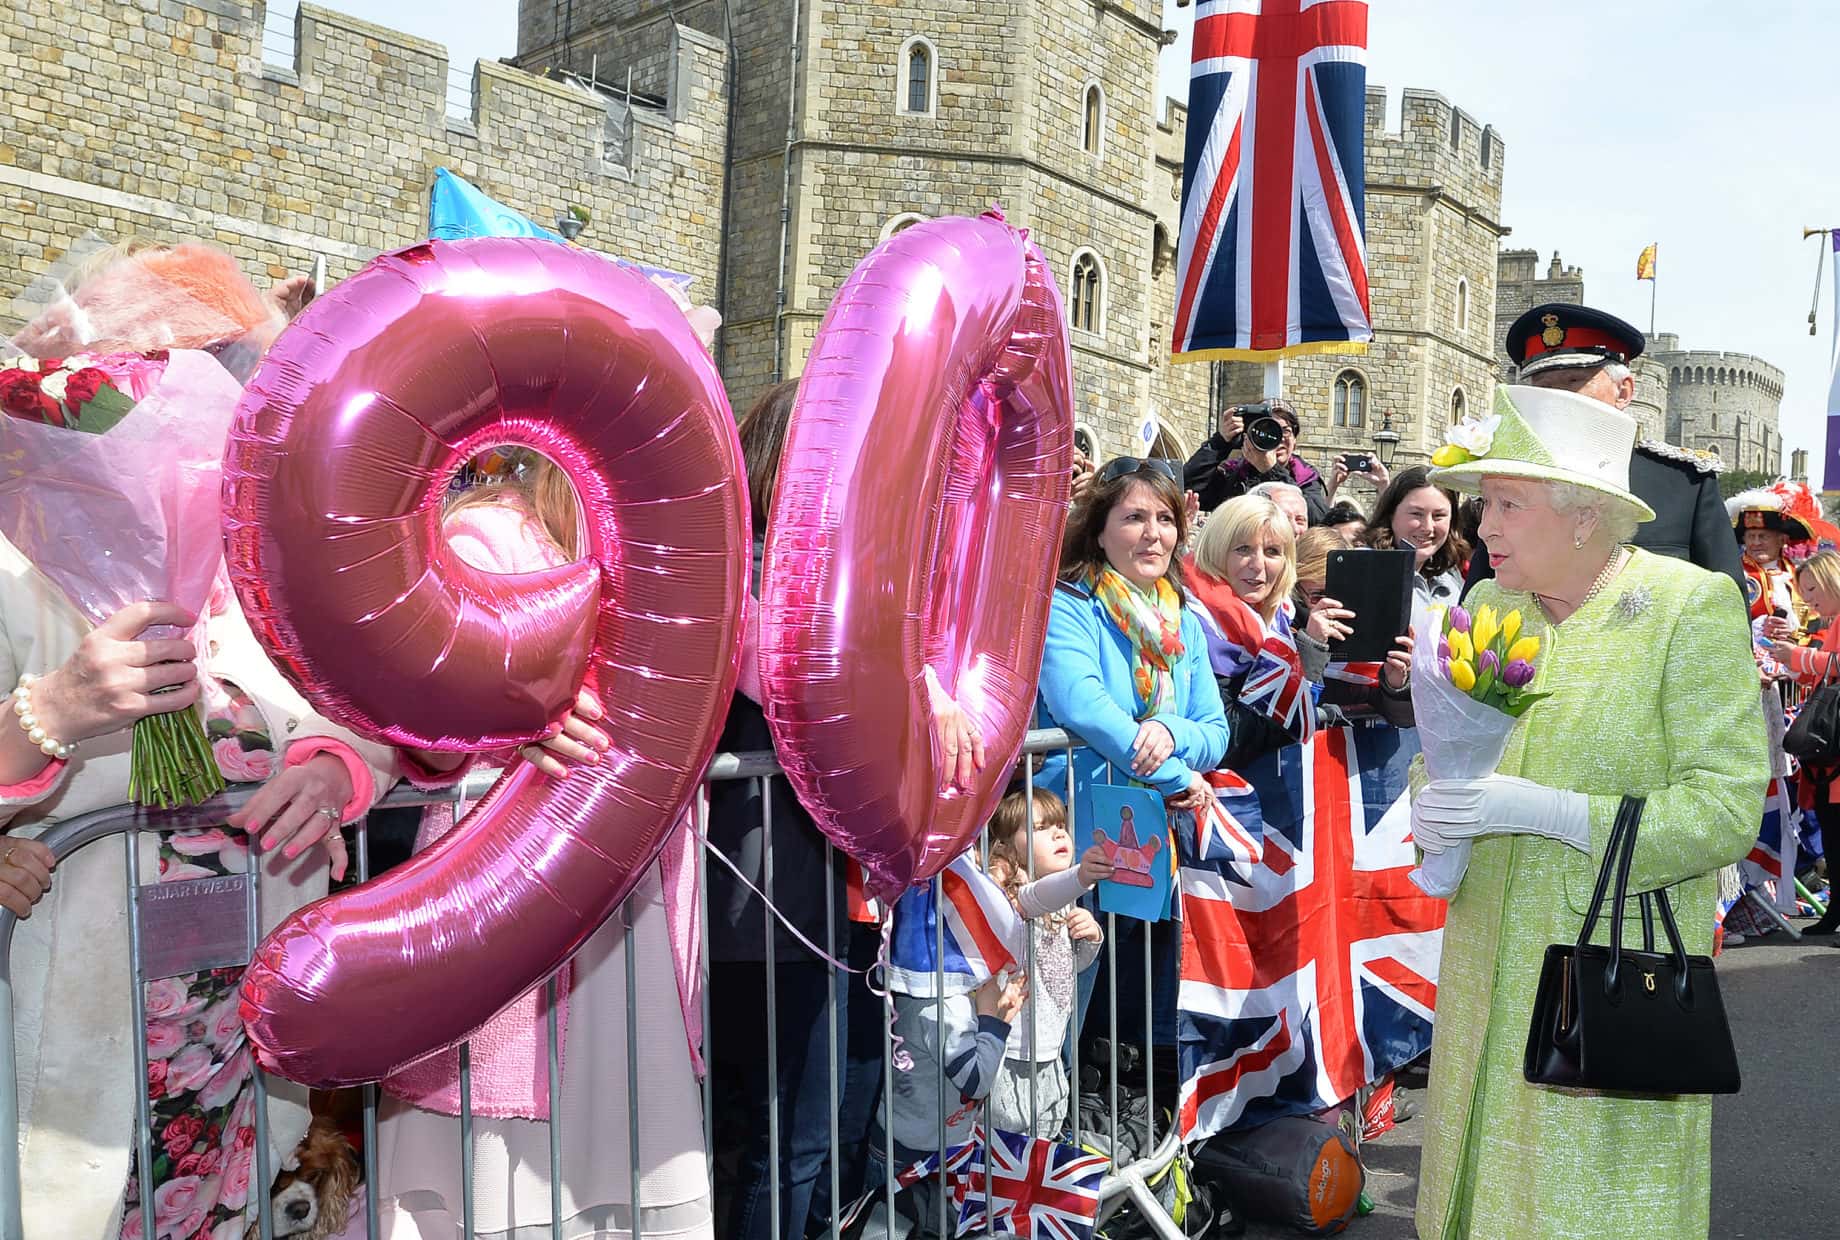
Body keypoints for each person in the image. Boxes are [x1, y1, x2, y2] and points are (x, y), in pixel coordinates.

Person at [1, 243, 399, 1239]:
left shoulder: (268, 562)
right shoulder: (18, 557)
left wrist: (334, 766)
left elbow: (366, 708)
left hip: (237, 1046)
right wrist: (45, 716)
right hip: (69, 1044)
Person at [1409, 383, 1768, 1238]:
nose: (1483, 526)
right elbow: (1444, 752)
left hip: (1609, 987)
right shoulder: (1490, 606)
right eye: (1484, 503)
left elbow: (1723, 811)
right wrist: (1437, 816)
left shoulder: (1689, 608)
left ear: (1583, 516)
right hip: (1483, 970)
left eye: (1506, 504)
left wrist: (1557, 815)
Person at [362, 454, 715, 1240]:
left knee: (623, 1127)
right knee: (503, 1146)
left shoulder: (672, 545)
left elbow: (763, 656)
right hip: (509, 883)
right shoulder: (482, 534)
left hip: (632, 904)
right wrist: (514, 712)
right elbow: (419, 703)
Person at [1037, 456, 1229, 1100]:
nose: (1154, 534)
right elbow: (1083, 707)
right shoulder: (1069, 605)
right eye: (1135, 518)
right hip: (1070, 836)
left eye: (1165, 519)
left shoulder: (1185, 621)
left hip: (1145, 844)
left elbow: (1215, 728)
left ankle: (1095, 1143)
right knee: (1062, 1005)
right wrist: (1177, 773)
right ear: (1098, 530)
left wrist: (1173, 734)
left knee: (1123, 1009)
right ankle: (1041, 1157)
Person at [1465, 303, 1744, 594]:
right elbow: (1479, 604)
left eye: (1574, 382)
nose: (1557, 398)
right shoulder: (1512, 481)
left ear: (1623, 391)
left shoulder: (1683, 484)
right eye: (1543, 387)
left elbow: (1727, 603)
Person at [983, 787, 1110, 1137]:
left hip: (1050, 1050)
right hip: (1011, 1051)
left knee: (1046, 1135)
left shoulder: (1067, 900)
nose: (1058, 833)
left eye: (1060, 825)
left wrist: (1091, 937)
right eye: (1040, 828)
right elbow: (1031, 900)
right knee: (1003, 1143)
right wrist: (1081, 877)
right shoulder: (1006, 896)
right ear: (1008, 848)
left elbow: (1069, 967)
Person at [1182, 400, 1330, 523]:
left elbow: (1318, 519)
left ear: (1295, 441)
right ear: (1248, 437)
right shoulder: (1234, 474)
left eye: (1285, 431)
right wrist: (1220, 442)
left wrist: (1271, 470)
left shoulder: (1305, 476)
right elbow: (1189, 487)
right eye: (1267, 430)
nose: (1277, 439)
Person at [1363, 465, 1468, 605]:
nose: (1428, 527)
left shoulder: (1451, 582)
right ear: (1390, 514)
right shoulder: (1364, 571)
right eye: (1416, 514)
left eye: (1438, 516)